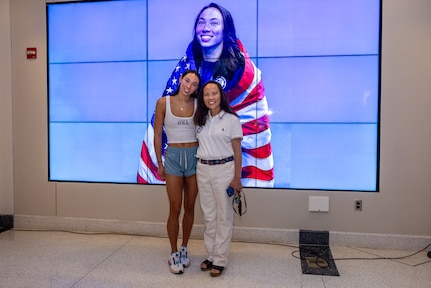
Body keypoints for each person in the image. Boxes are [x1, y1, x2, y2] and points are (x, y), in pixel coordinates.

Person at [138, 2, 274, 187]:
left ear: (226, 30)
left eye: (214, 23)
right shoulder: (187, 67)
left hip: (222, 165)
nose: (206, 28)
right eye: (201, 22)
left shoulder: (244, 76)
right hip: (189, 157)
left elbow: (250, 132)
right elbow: (168, 116)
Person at [153, 70, 201, 274]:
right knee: (175, 207)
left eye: (194, 84)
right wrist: (159, 163)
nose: (189, 86)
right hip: (172, 156)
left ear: (197, 88)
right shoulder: (163, 102)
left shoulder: (200, 105)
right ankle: (172, 252)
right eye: (187, 80)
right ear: (180, 80)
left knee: (190, 206)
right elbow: (157, 134)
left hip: (194, 157)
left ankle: (184, 248)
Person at [194, 80, 243, 277]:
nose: (210, 97)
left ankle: (220, 259)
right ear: (202, 98)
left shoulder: (231, 120)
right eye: (206, 94)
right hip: (203, 169)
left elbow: (237, 151)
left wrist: (237, 179)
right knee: (209, 215)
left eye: (214, 93)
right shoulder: (200, 119)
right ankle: (212, 255)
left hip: (225, 170)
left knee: (224, 216)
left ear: (220, 96)